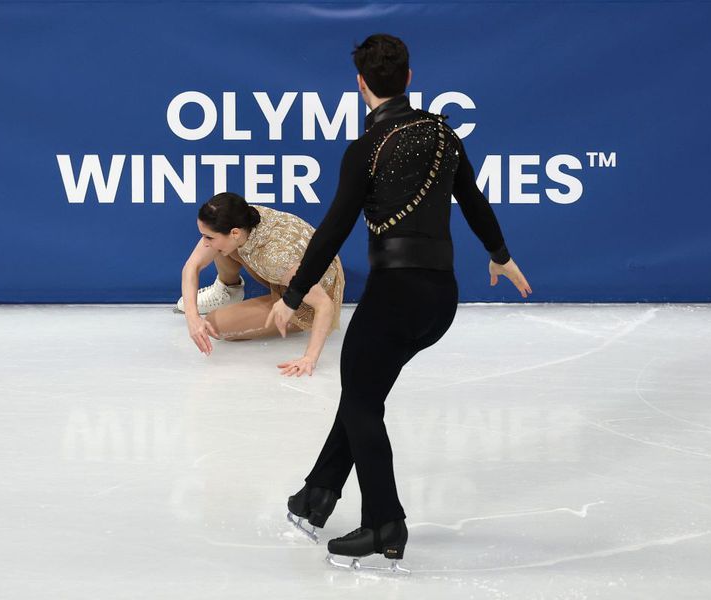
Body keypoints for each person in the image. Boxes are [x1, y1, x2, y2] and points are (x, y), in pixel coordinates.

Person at [266, 34, 532, 570]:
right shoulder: (443, 134)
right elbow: (473, 200)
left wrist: (293, 295)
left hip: (395, 295)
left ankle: (385, 524)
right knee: (362, 392)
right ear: (409, 78)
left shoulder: (366, 149)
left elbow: (334, 229)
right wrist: (500, 255)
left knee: (362, 403)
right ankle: (316, 497)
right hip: (440, 297)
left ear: (360, 85)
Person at [179, 192, 345, 377]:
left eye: (208, 237)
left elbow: (324, 305)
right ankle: (229, 290)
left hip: (307, 295)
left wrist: (309, 358)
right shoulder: (242, 218)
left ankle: (291, 315)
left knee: (213, 324)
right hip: (286, 270)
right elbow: (191, 267)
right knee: (221, 248)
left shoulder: (277, 258)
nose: (204, 242)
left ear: (234, 232)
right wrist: (192, 318)